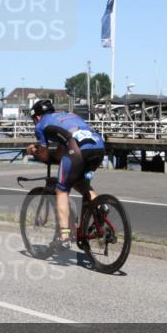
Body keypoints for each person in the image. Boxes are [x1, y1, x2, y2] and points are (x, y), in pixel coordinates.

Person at [24, 99, 106, 251]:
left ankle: (64, 236)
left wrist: (33, 151)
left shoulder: (41, 125)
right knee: (80, 183)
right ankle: (101, 206)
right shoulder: (67, 116)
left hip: (78, 150)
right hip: (98, 146)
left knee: (61, 190)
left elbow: (43, 153)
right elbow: (63, 149)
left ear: (36, 117)